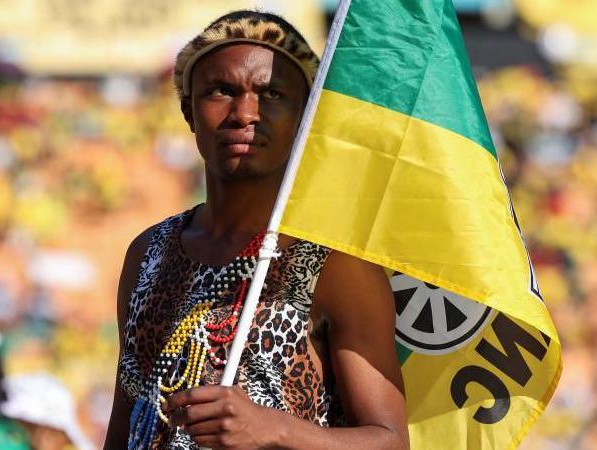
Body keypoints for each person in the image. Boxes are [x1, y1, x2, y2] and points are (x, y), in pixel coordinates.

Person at [104, 10, 408, 450]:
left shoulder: (333, 262)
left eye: (272, 94)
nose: (245, 113)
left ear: (305, 116)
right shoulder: (150, 252)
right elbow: (125, 420)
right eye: (222, 91)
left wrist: (275, 430)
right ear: (189, 110)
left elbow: (391, 441)